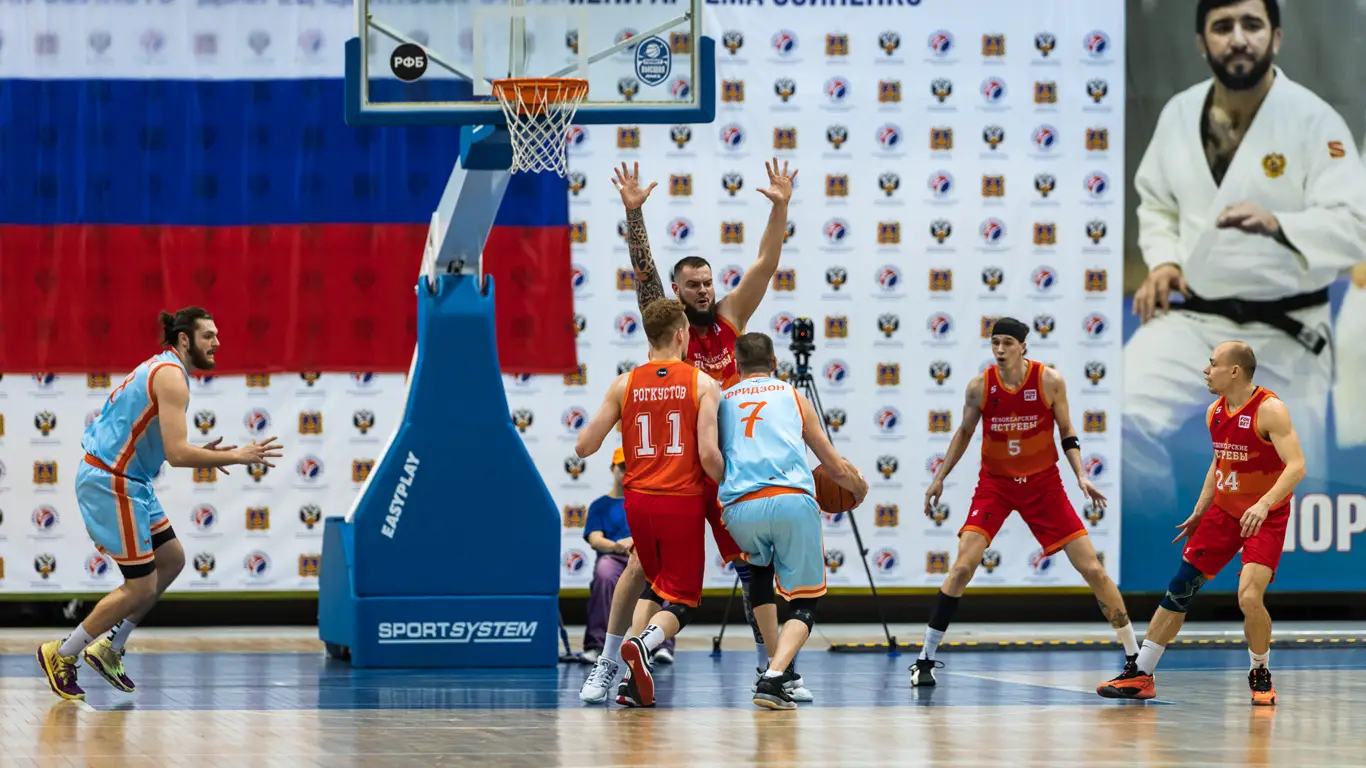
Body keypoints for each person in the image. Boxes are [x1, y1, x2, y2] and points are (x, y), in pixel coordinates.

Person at [579, 158, 813, 705]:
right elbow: (643, 272)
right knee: (642, 569)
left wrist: (781, 207)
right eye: (693, 285)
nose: (704, 291)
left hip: (726, 470)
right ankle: (609, 665)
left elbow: (766, 262)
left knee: (755, 567)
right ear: (676, 295)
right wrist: (634, 215)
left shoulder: (731, 317)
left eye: (708, 282)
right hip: (682, 473)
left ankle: (774, 671)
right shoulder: (668, 327)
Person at [1123, 0, 1366, 516]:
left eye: (1252, 25)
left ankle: (1297, 566)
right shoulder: (1179, 114)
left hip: (1288, 332)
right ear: (1202, 42)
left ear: (1276, 37)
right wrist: (1164, 261)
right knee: (1117, 413)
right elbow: (1157, 203)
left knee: (1295, 489)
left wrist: (1281, 225)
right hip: (1197, 319)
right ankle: (1157, 531)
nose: (1238, 38)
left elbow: (1356, 226)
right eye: (1223, 26)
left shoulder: (1314, 121)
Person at [37, 307, 284, 700]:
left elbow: (163, 441)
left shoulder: (166, 369)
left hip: (130, 480)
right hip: (111, 481)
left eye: (217, 334)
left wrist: (207, 452)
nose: (217, 342)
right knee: (140, 587)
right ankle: (62, 653)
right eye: (208, 335)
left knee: (172, 559)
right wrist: (236, 455)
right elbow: (178, 454)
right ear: (184, 339)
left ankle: (111, 647)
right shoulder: (171, 377)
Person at [913, 318, 1137, 687]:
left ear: (1023, 347)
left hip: (1043, 485)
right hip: (996, 486)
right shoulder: (979, 387)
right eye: (995, 343)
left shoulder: (1049, 381)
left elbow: (1067, 430)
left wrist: (1081, 475)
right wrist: (939, 478)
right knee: (962, 568)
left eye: (1007, 343)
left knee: (1094, 570)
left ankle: (1134, 658)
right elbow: (964, 432)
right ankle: (924, 659)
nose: (1000, 350)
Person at [1098, 342, 1304, 705]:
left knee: (1249, 597)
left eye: (1212, 364)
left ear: (1234, 371)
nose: (1206, 371)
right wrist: (1200, 510)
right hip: (1223, 513)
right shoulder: (1214, 411)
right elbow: (1219, 463)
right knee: (1180, 587)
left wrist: (1263, 504)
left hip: (1264, 516)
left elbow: (1297, 466)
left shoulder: (1270, 410)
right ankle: (1141, 674)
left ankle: (1260, 671)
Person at [574, 298, 724, 708]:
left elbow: (584, 446)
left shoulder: (624, 384)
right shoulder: (702, 384)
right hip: (681, 501)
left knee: (643, 577)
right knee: (683, 598)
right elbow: (709, 457)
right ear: (680, 335)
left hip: (638, 504)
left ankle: (610, 667)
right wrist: (731, 483)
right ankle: (644, 644)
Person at [717, 334, 868, 710]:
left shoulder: (720, 401)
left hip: (739, 508)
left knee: (759, 576)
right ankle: (774, 676)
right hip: (790, 500)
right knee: (805, 600)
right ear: (774, 363)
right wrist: (858, 488)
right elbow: (832, 465)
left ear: (736, 365)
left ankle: (773, 667)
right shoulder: (793, 396)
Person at [580, 447, 674, 664]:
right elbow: (595, 538)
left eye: (632, 467)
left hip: (645, 557)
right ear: (613, 468)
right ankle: (596, 644)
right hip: (614, 558)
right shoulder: (600, 505)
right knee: (604, 573)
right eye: (623, 467)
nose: (627, 472)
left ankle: (661, 644)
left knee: (664, 577)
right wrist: (617, 546)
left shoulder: (648, 500)